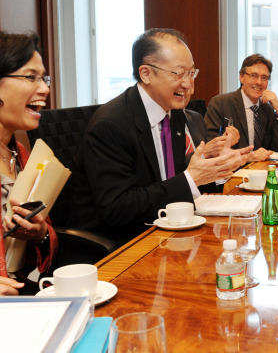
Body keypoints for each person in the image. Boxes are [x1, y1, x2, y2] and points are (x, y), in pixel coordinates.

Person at [69, 28, 249, 246]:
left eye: (191, 73)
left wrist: (217, 167)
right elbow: (118, 209)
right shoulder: (111, 125)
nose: (188, 84)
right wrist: (192, 177)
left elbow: (169, 182)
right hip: (123, 242)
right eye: (178, 74)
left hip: (170, 232)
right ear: (146, 74)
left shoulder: (175, 116)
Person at [0, 32, 58, 295]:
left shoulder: (22, 153)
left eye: (43, 78)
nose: (45, 88)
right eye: (30, 77)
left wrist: (39, 232)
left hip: (25, 296)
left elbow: (47, 233)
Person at [205, 54, 278, 162]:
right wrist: (249, 157)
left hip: (260, 172)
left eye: (264, 77)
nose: (259, 82)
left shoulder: (267, 109)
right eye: (253, 76)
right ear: (242, 77)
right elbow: (212, 149)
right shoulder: (220, 103)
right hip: (231, 173)